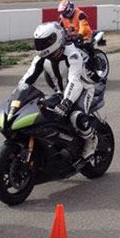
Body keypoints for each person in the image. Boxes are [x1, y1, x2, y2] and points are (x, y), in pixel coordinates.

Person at [18, 22, 99, 160]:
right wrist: (17, 95)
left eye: (44, 42)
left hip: (83, 90)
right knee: (41, 111)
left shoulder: (73, 55)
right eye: (38, 42)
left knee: (76, 116)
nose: (40, 46)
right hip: (61, 92)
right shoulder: (41, 58)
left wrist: (66, 102)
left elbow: (74, 81)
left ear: (55, 39)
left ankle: (91, 140)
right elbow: (28, 77)